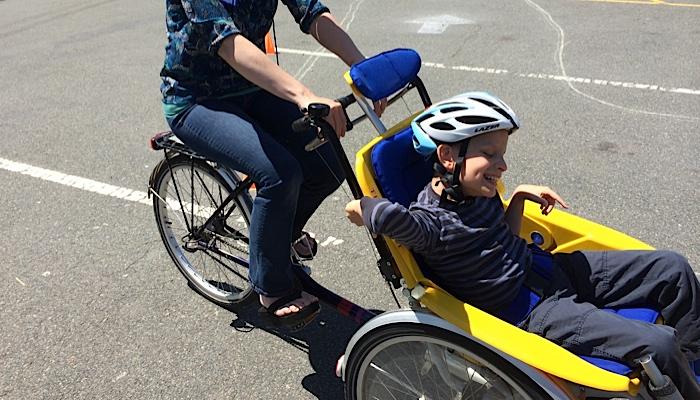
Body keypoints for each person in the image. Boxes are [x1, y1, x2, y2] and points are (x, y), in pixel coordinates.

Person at [345, 91, 700, 398]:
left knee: (673, 268)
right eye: (491, 154)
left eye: (501, 153)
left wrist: (516, 199)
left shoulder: (476, 192)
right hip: (535, 312)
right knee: (659, 345)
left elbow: (502, 237)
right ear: (448, 158)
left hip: (552, 269)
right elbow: (388, 217)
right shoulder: (431, 224)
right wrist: (360, 206)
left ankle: (692, 360)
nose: (502, 165)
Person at [160, 0, 386, 328]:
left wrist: (363, 68)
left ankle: (282, 234)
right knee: (279, 174)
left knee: (327, 160)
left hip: (251, 88)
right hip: (195, 100)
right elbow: (228, 43)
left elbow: (313, 14)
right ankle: (272, 287)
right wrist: (303, 94)